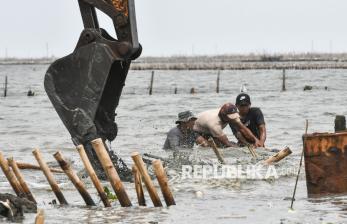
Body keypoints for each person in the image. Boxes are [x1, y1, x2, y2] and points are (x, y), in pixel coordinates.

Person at [193, 103, 260, 148]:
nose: (232, 119)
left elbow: (243, 128)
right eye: (230, 117)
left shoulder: (232, 115)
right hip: (194, 130)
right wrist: (241, 149)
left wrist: (255, 140)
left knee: (220, 145)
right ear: (223, 115)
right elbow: (227, 143)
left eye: (234, 117)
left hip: (207, 130)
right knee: (207, 146)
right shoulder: (214, 124)